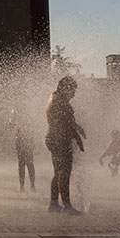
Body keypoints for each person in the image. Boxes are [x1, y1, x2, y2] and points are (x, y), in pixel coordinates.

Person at [45, 75, 85, 215]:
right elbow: (66, 123)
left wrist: (77, 128)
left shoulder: (55, 98)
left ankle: (54, 204)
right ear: (64, 88)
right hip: (59, 140)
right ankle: (67, 207)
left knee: (58, 173)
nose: (74, 94)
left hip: (53, 138)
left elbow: (67, 120)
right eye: (72, 90)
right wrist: (77, 137)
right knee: (64, 173)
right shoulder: (60, 102)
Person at [9, 108, 36, 192]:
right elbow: (10, 126)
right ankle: (26, 186)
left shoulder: (21, 115)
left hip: (24, 142)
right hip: (22, 142)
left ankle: (28, 185)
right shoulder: (17, 114)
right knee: (25, 164)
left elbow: (11, 126)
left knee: (27, 164)